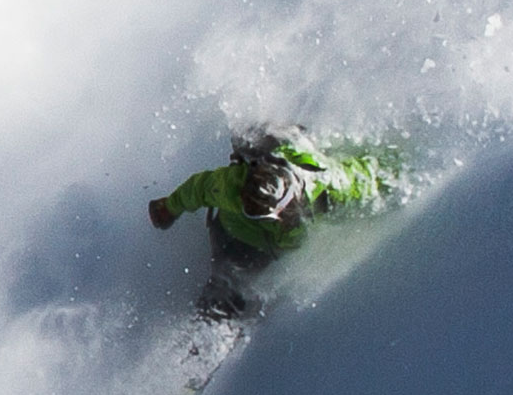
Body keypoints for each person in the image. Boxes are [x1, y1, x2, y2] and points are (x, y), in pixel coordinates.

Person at [148, 130, 399, 320]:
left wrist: (392, 180)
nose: (254, 214)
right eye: (250, 209)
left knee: (247, 273)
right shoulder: (232, 185)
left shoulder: (322, 187)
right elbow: (198, 189)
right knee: (227, 282)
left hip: (267, 251)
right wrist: (168, 208)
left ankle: (237, 308)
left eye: (263, 216)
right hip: (231, 238)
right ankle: (214, 318)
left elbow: (361, 180)